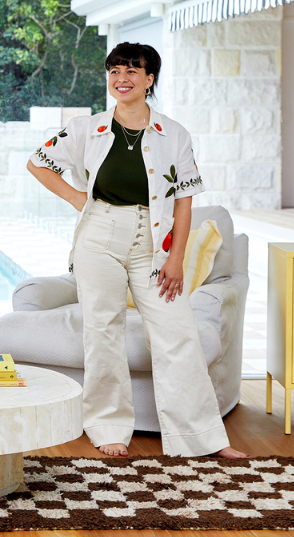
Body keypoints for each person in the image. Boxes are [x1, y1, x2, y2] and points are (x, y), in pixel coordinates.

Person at [26, 42, 247, 459]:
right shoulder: (84, 128)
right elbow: (38, 162)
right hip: (98, 236)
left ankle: (202, 438)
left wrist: (176, 257)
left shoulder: (173, 134)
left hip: (153, 241)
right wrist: (78, 199)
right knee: (102, 331)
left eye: (132, 70)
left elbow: (184, 200)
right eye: (114, 70)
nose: (121, 78)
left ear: (149, 80)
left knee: (177, 333)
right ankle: (108, 427)